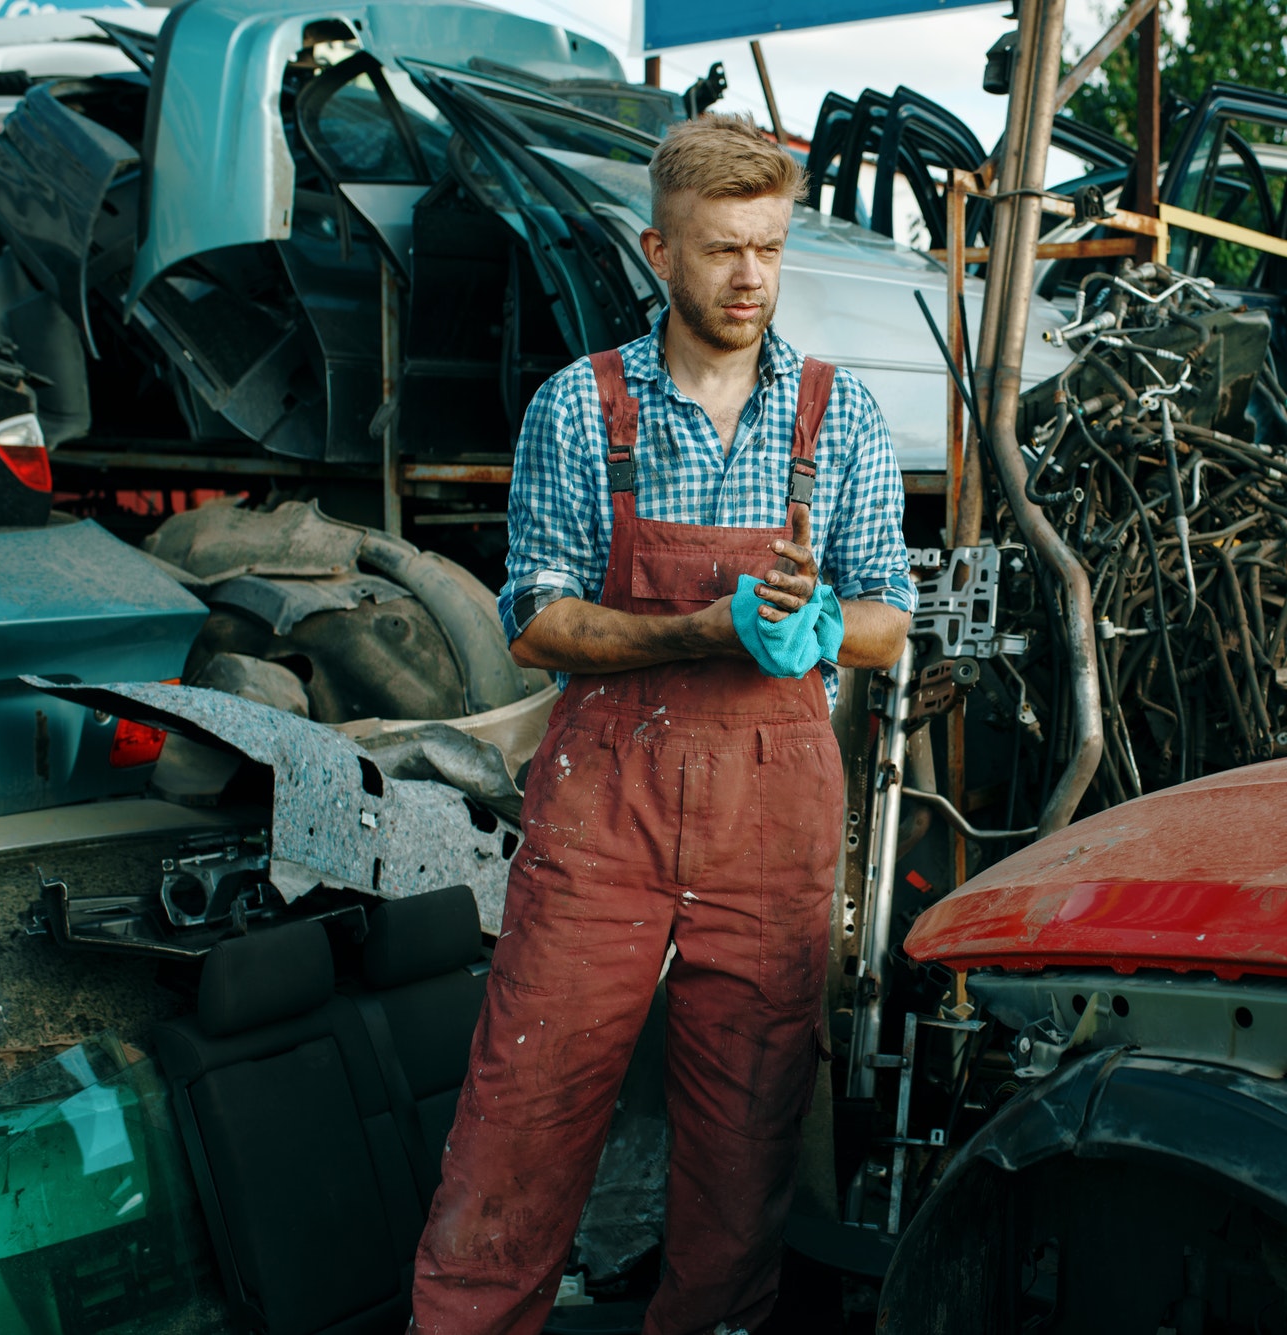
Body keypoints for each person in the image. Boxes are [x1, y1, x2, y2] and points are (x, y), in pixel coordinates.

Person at [409, 113, 914, 1335]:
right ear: (658, 252)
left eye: (768, 248)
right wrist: (697, 630)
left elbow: (889, 616)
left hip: (769, 822)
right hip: (606, 817)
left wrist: (815, 625)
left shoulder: (839, 416)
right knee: (523, 1116)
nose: (749, 277)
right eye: (722, 249)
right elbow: (536, 619)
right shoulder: (579, 408)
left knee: (743, 1143)